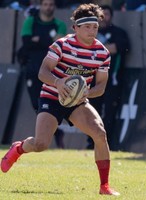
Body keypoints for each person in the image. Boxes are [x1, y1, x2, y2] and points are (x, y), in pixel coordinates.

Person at [1, 3, 120, 196]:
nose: (92, 31)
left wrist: (85, 94)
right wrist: (58, 82)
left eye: (95, 27)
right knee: (41, 144)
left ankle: (104, 186)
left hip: (78, 101)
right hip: (52, 96)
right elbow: (42, 72)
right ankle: (19, 148)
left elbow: (101, 87)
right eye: (87, 27)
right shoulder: (62, 45)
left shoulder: (102, 53)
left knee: (99, 133)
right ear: (76, 28)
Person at [19, 0, 67, 148]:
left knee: (53, 103)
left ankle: (54, 132)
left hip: (51, 72)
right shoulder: (30, 21)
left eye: (51, 4)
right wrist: (48, 40)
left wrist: (38, 40)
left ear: (55, 6)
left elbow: (59, 44)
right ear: (41, 6)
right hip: (33, 68)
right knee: (36, 103)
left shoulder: (60, 24)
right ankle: (56, 133)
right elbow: (26, 42)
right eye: (45, 4)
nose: (48, 7)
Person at [87, 5, 130, 150]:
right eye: (101, 14)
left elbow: (119, 48)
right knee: (91, 111)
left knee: (110, 113)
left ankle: (107, 143)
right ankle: (90, 143)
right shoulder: (89, 33)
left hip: (112, 80)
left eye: (107, 14)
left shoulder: (118, 32)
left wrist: (97, 50)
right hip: (91, 80)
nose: (104, 17)